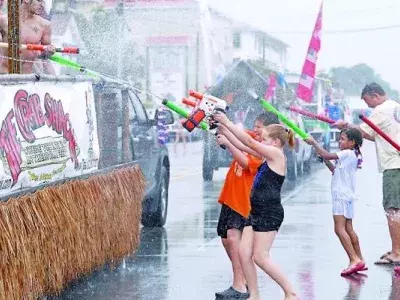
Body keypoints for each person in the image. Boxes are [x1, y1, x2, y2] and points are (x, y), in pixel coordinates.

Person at [215, 112, 299, 300]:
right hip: (256, 211)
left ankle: (290, 291)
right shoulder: (266, 156)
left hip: (269, 213)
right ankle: (254, 295)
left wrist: (227, 121)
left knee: (261, 257)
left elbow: (251, 144)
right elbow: (244, 145)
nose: (261, 141)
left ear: (276, 142)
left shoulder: (277, 155)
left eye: (265, 139)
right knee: (244, 253)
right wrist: (225, 132)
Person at [333, 83, 400, 265]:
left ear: (375, 95)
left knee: (393, 209)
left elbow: (360, 132)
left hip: (394, 164)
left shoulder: (381, 110)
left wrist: (345, 125)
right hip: (396, 162)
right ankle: (398, 247)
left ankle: (397, 252)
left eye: (368, 101)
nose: (368, 106)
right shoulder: (395, 107)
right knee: (396, 208)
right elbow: (371, 135)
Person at [305, 128, 366, 276]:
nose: (340, 141)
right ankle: (360, 259)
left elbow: (326, 154)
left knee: (339, 229)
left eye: (343, 139)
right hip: (347, 196)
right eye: (339, 139)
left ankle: (353, 259)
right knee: (348, 228)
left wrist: (314, 143)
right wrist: (325, 160)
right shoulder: (350, 155)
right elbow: (335, 170)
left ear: (352, 142)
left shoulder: (347, 153)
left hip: (341, 197)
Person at [0, 0, 55, 74]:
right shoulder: (4, 20)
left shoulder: (45, 25)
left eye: (43, 2)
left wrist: (48, 52)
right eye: (39, 1)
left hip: (26, 78)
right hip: (4, 74)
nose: (42, 5)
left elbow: (44, 57)